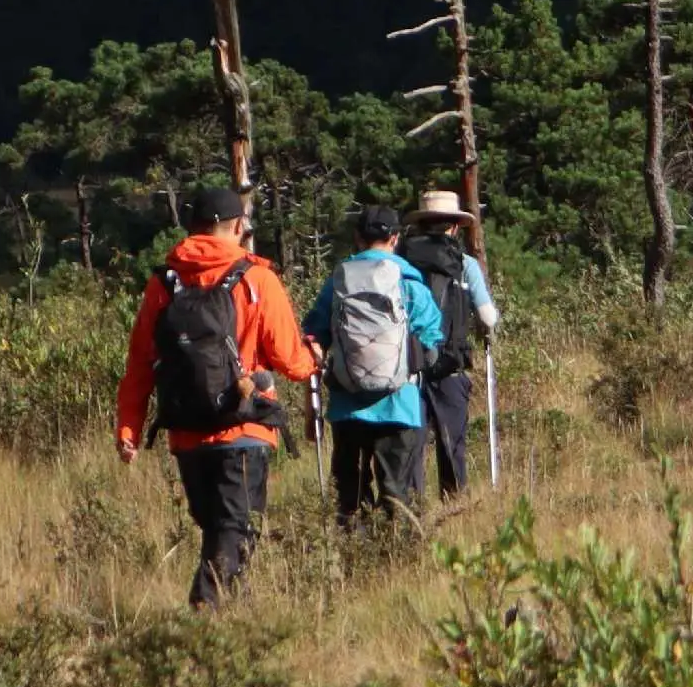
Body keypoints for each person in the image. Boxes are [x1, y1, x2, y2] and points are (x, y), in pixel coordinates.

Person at [115, 182, 316, 606]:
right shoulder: (257, 278)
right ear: (237, 226)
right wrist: (313, 358)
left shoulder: (163, 285)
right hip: (244, 429)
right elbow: (290, 361)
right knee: (236, 533)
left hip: (186, 432)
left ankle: (224, 631)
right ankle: (204, 619)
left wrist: (129, 426)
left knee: (218, 532)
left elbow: (139, 364)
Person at [307, 203, 444, 528]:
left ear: (357, 237)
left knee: (350, 497)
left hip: (347, 406)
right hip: (399, 405)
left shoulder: (338, 281)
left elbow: (313, 333)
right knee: (396, 494)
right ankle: (395, 562)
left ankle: (352, 562)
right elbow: (432, 340)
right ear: (395, 238)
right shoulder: (409, 282)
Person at [397, 188, 496, 499]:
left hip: (407, 367)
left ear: (422, 224)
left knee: (411, 444)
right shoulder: (465, 263)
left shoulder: (400, 262)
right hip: (450, 366)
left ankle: (411, 510)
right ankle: (454, 508)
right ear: (455, 225)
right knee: (453, 444)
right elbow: (487, 316)